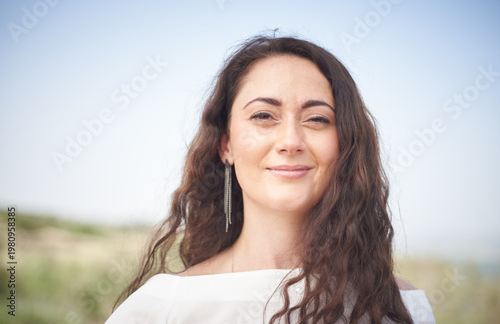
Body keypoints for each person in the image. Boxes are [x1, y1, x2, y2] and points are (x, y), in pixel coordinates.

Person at [106, 34, 435, 323]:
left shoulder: (400, 309)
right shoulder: (160, 310)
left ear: (345, 144)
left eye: (317, 118)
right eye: (263, 116)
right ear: (226, 144)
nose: (291, 141)